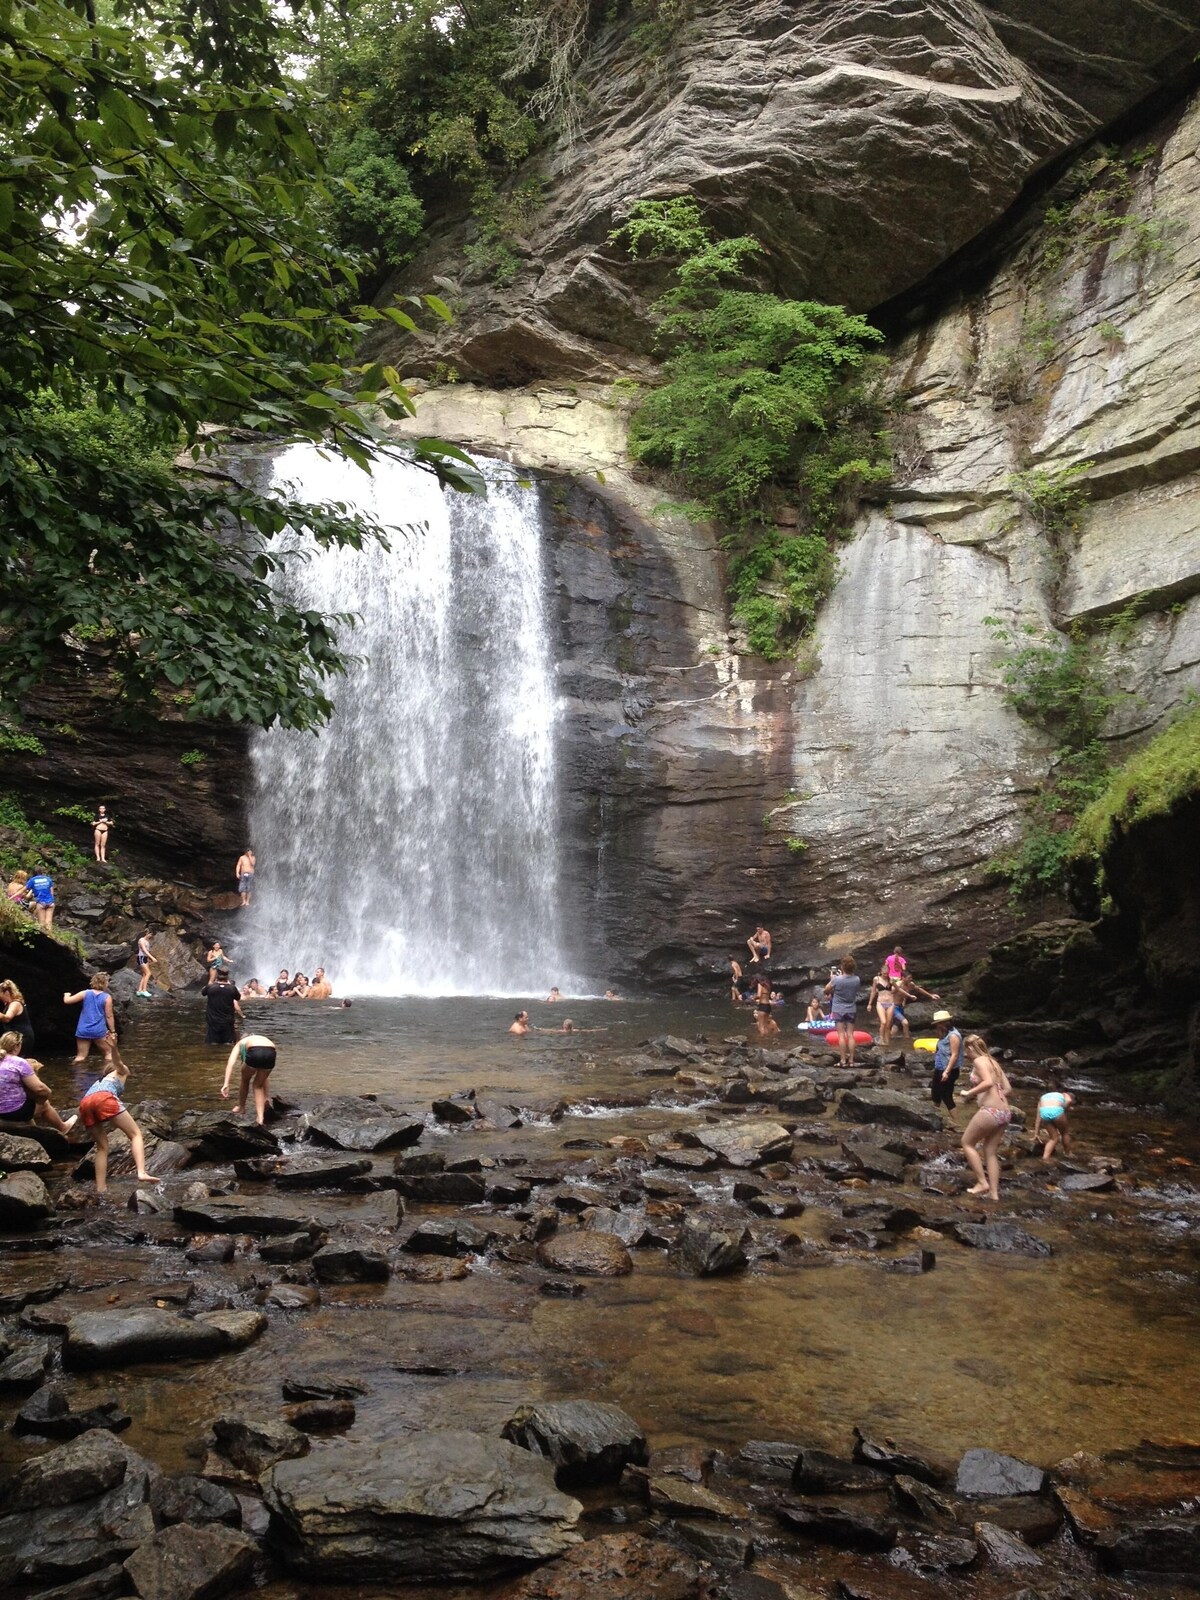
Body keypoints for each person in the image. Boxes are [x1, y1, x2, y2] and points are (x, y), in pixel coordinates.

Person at [79, 1062, 153, 1195]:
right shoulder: (121, 1070)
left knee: (102, 1147)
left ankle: (101, 1188)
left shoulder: (99, 1081)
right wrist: (113, 1047)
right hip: (104, 1098)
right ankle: (141, 1172)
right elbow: (117, 1059)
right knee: (135, 1134)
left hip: (85, 1103)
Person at [958, 1034, 1013, 1201]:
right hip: (1004, 1112)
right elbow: (1008, 1088)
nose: (965, 1054)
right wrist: (997, 1096)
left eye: (965, 1050)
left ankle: (982, 1183)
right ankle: (994, 1194)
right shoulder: (993, 1062)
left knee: (967, 1143)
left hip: (990, 1111)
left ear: (970, 1048)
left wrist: (969, 1093)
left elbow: (988, 1082)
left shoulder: (979, 1061)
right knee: (990, 1152)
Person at [0, 1032, 77, 1133]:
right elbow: (40, 1089)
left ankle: (33, 1127)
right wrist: (48, 1094)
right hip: (14, 1113)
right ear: (17, 1046)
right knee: (44, 1103)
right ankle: (63, 1127)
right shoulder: (19, 1062)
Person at [221, 1033, 277, 1126]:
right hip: (271, 1052)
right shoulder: (263, 1039)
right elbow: (265, 1078)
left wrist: (226, 1084)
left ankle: (241, 1108)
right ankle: (260, 1118)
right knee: (258, 1085)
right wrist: (266, 1096)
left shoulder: (241, 1043)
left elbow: (231, 1063)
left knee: (245, 1079)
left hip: (255, 1051)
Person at [64, 973, 116, 1067]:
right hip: (98, 1030)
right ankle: (107, 1072)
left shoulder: (85, 993)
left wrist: (66, 995)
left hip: (83, 1028)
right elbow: (109, 1016)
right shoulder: (107, 997)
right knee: (109, 1052)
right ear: (105, 983)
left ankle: (77, 1074)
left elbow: (67, 1001)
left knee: (81, 1056)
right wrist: (112, 1031)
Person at [824, 956, 861, 1068]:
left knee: (840, 1035)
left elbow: (826, 990)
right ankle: (851, 1060)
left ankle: (843, 1060)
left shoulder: (836, 979)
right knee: (850, 1034)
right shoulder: (857, 979)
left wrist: (832, 978)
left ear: (842, 966)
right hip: (851, 1009)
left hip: (838, 1009)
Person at [891, 971, 941, 1043]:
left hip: (900, 1007)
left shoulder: (910, 984)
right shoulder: (898, 985)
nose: (911, 979)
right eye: (909, 978)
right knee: (905, 1023)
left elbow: (918, 989)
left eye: (911, 977)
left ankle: (889, 1040)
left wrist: (931, 996)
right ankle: (907, 1041)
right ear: (903, 978)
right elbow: (889, 993)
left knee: (896, 1025)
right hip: (893, 1007)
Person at [929, 1010, 963, 1111]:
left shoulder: (953, 1036)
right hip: (939, 1067)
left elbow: (955, 1055)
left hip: (949, 1070)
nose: (937, 1026)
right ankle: (935, 1116)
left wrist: (946, 1072)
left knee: (947, 1097)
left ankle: (956, 1124)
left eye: (939, 1023)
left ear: (945, 1023)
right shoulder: (944, 1034)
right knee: (935, 1095)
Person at [1033, 1083, 1074, 1161]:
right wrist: (1063, 1109)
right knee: (1065, 1133)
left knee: (1053, 1138)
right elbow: (1069, 1100)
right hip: (1057, 1112)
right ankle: (1068, 1153)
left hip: (1045, 1114)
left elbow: (1038, 1117)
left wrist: (1036, 1133)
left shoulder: (1042, 1098)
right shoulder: (1063, 1094)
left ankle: (1045, 1158)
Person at [201, 970, 242, 1046]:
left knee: (212, 1043)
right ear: (227, 977)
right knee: (228, 1043)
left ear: (217, 976)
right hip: (227, 1020)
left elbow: (203, 992)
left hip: (213, 1020)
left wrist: (212, 981)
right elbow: (238, 997)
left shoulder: (210, 987)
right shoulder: (232, 988)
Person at [0, 979, 35, 1052]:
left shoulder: (15, 1004)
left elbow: (7, 1018)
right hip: (14, 1038)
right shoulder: (8, 1004)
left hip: (22, 1038)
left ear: (6, 992)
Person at [867, 967, 897, 1045]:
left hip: (890, 1003)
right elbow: (873, 991)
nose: (885, 975)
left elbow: (897, 989)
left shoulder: (891, 980)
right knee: (883, 1022)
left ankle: (887, 1042)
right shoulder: (876, 979)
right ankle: (881, 1039)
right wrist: (869, 1004)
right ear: (881, 972)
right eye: (884, 973)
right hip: (880, 1002)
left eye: (887, 974)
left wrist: (909, 995)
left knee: (888, 1024)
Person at [135, 932, 157, 997]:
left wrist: (148, 958)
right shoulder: (141, 940)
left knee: (144, 974)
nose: (151, 936)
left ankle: (139, 990)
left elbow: (147, 950)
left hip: (145, 958)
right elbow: (144, 950)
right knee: (148, 973)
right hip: (141, 957)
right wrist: (152, 957)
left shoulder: (147, 941)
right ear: (147, 933)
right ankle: (144, 990)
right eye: (150, 934)